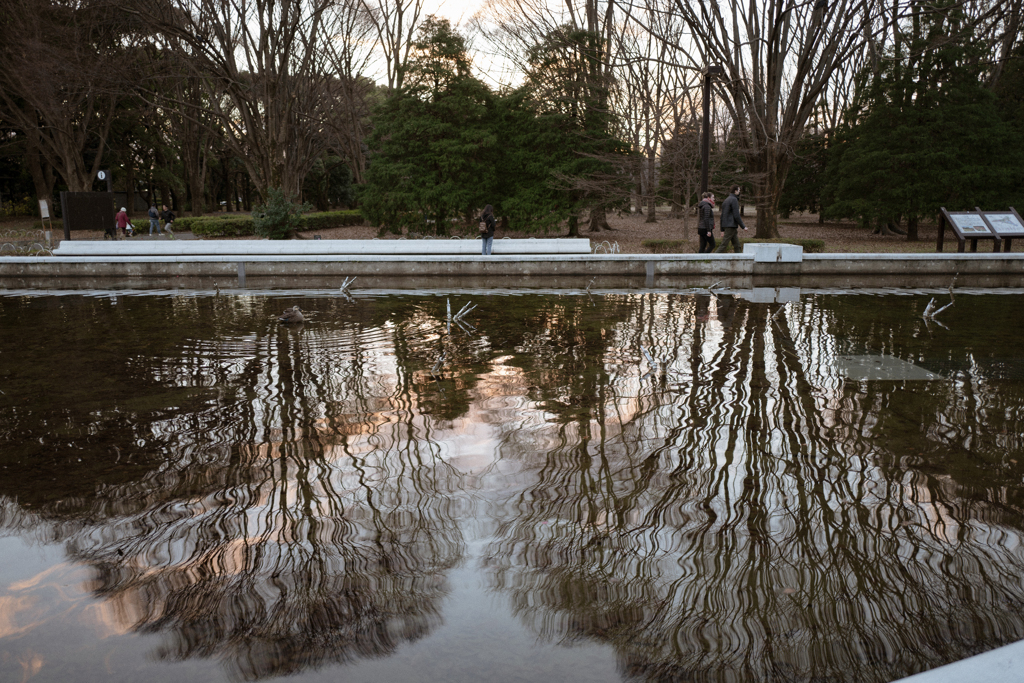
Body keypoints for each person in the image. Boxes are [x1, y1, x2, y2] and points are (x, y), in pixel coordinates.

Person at [714, 185, 747, 253]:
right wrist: (743, 226)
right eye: (739, 190)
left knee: (737, 245)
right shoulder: (734, 200)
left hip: (728, 225)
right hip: (731, 225)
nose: (739, 192)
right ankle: (711, 258)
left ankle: (739, 258)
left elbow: (722, 216)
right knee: (724, 245)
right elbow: (736, 215)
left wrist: (722, 229)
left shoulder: (726, 200)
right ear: (735, 191)